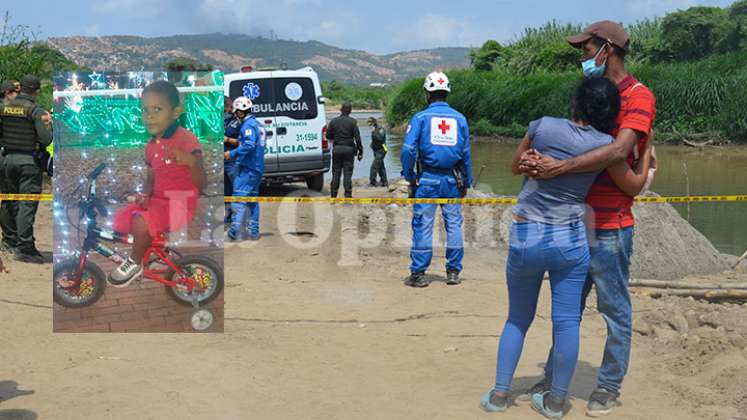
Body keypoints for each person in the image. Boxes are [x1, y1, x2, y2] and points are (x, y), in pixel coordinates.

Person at [480, 77, 654, 419]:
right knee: (566, 323)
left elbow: (516, 166)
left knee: (517, 319)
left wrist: (534, 163)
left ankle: (500, 396)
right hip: (571, 240)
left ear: (576, 103)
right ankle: (557, 402)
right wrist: (646, 153)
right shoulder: (605, 147)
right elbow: (633, 186)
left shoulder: (542, 127)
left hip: (528, 234)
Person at [518, 21, 657, 417]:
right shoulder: (594, 96)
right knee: (567, 310)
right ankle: (555, 379)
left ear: (607, 49)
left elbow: (618, 151)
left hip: (611, 224)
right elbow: (574, 138)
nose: (582, 56)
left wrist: (558, 168)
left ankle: (608, 386)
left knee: (615, 310)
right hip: (573, 224)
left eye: (586, 48)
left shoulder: (638, 96)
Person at [109, 80, 207, 286]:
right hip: (159, 201)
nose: (149, 115)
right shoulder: (151, 145)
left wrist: (191, 163)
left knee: (142, 222)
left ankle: (134, 263)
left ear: (176, 111)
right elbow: (151, 176)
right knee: (128, 217)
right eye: (145, 109)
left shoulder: (187, 140)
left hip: (179, 204)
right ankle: (156, 253)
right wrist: (145, 194)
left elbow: (202, 183)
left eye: (157, 109)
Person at [400, 72, 473, 288]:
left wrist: (411, 177)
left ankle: (419, 273)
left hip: (428, 180)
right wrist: (466, 182)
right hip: (452, 180)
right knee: (454, 226)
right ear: (446, 93)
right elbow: (467, 153)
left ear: (427, 93)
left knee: (423, 226)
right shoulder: (460, 119)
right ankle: (452, 272)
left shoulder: (421, 118)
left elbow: (407, 150)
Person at [0, 75, 52, 263]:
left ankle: (10, 240)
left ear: (20, 88)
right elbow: (46, 139)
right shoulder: (36, 111)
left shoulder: (3, 108)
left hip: (6, 160)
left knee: (8, 201)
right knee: (26, 205)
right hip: (28, 162)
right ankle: (25, 248)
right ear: (36, 91)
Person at [224, 96, 265, 241]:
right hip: (257, 169)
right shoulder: (258, 125)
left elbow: (248, 145)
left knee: (238, 199)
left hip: (248, 169)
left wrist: (232, 153)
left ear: (240, 112)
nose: (235, 115)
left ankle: (233, 231)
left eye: (236, 112)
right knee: (253, 201)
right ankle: (254, 232)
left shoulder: (248, 126)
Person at [326, 102, 363, 198]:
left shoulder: (333, 121)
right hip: (349, 150)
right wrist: (360, 151)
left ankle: (333, 196)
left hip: (337, 149)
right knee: (347, 173)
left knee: (336, 173)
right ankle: (347, 196)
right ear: (350, 111)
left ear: (341, 110)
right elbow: (357, 138)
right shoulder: (353, 122)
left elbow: (328, 136)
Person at [224, 96, 242, 224]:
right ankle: (229, 217)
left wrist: (228, 140)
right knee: (226, 192)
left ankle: (239, 219)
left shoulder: (237, 122)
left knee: (237, 191)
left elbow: (243, 142)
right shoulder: (220, 122)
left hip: (233, 162)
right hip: (222, 162)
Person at [368, 117, 388, 187]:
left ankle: (372, 182)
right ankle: (384, 181)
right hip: (376, 150)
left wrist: (374, 132)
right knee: (380, 166)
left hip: (382, 150)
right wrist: (372, 144)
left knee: (374, 166)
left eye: (370, 123)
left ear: (374, 122)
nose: (369, 124)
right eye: (368, 123)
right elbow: (375, 139)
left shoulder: (380, 129)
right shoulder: (374, 129)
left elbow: (380, 138)